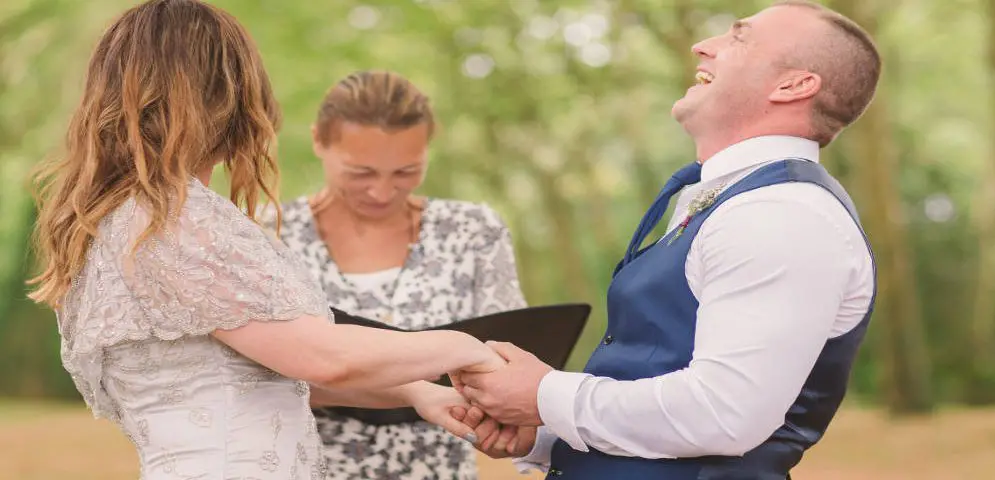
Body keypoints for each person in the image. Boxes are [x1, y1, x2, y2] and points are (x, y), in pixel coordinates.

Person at [25, 1, 503, 478]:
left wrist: (417, 391)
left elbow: (255, 368)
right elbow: (321, 356)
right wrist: (465, 346)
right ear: (225, 93)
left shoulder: (118, 219)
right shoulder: (176, 218)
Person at [454, 1, 881, 478]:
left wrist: (544, 395)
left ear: (794, 85)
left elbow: (723, 415)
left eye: (738, 38)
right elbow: (661, 380)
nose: (703, 45)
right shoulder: (730, 198)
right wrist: (546, 432)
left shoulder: (782, 214)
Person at [259, 70, 528, 479]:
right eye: (361, 172)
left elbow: (511, 354)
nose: (382, 192)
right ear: (318, 140)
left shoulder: (473, 230)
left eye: (405, 171)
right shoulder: (268, 236)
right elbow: (255, 371)